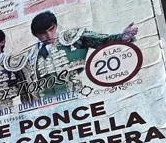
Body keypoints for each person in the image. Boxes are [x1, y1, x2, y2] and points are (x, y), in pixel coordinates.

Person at [8, 11, 138, 108]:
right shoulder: (29, 57)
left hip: (73, 102)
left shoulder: (71, 39)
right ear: (35, 35)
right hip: (43, 109)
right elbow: (24, 89)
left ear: (56, 26)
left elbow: (101, 40)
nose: (48, 35)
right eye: (42, 33)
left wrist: (122, 36)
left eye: (51, 29)